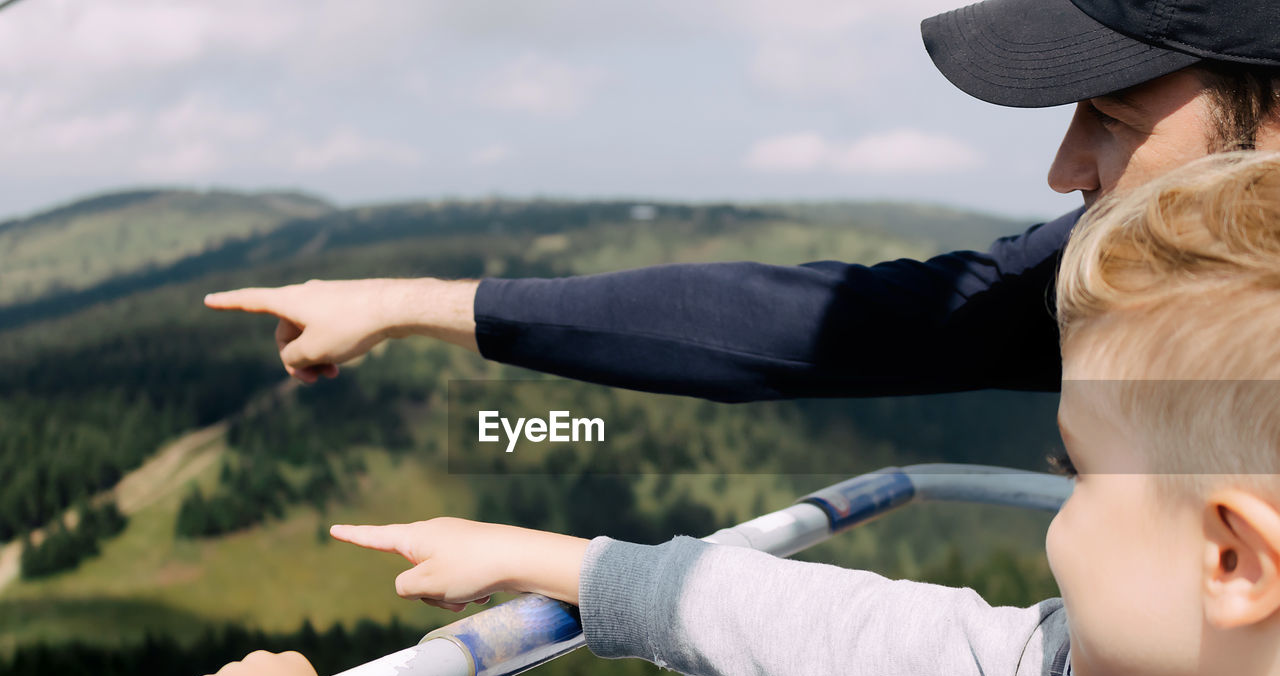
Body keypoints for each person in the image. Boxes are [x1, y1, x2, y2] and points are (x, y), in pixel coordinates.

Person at [161, 151, 1280, 676]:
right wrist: (569, 564)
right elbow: (923, 648)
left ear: (1230, 560)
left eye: (1074, 476)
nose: (1054, 518)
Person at [204, 0, 1280, 402]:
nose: (1063, 168)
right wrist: (412, 302)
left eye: (1109, 116)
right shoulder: (1127, 271)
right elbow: (806, 327)